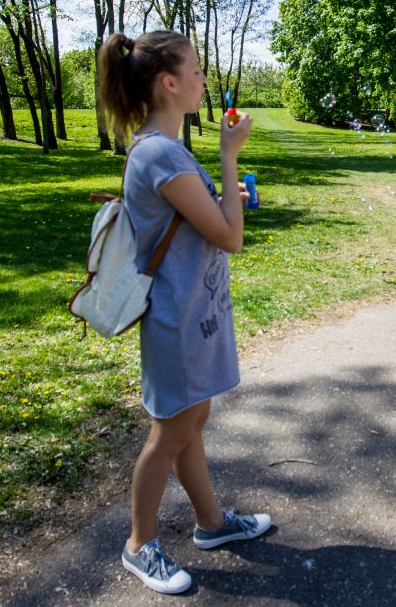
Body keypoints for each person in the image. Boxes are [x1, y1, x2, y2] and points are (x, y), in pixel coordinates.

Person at [97, 30, 270, 595]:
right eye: (195, 70)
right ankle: (138, 545)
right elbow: (228, 238)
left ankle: (212, 524)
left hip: (195, 310)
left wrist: (226, 192)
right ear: (169, 83)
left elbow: (209, 220)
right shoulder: (160, 153)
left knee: (193, 421)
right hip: (175, 318)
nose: (202, 78)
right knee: (169, 431)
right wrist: (228, 158)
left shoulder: (164, 147)